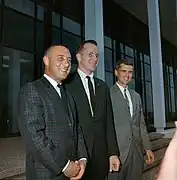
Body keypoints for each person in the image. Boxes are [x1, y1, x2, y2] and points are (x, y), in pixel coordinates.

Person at [18, 45, 87, 180]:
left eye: (68, 60)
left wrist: (82, 159)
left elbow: (76, 130)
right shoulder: (32, 90)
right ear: (46, 60)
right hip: (46, 174)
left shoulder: (68, 96)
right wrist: (65, 166)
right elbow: (34, 136)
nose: (66, 64)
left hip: (73, 171)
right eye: (60, 58)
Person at [65, 40, 120, 180]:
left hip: (100, 158)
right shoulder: (66, 84)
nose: (95, 59)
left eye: (97, 56)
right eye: (90, 54)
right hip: (77, 157)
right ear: (78, 57)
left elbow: (109, 122)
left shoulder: (103, 87)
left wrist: (113, 153)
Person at [108, 59, 155, 180]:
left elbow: (141, 124)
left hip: (137, 152)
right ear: (116, 72)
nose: (127, 75)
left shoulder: (136, 96)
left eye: (130, 72)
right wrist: (110, 153)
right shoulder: (108, 95)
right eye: (123, 71)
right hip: (118, 152)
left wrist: (148, 148)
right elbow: (105, 126)